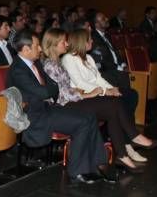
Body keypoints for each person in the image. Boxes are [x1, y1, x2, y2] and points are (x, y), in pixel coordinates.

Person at [42, 28, 157, 172]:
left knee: (117, 104)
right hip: (65, 105)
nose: (66, 44)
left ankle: (123, 153)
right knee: (113, 105)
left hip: (74, 98)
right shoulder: (52, 64)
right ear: (53, 44)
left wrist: (110, 90)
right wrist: (86, 95)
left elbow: (78, 84)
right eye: (63, 41)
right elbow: (62, 93)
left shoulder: (58, 62)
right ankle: (131, 140)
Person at [7, 30, 113, 185]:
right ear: (25, 49)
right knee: (82, 123)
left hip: (47, 107)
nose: (41, 49)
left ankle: (98, 162)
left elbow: (51, 86)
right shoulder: (18, 69)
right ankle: (78, 171)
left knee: (89, 116)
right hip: (35, 114)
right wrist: (51, 89)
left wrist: (51, 89)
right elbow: (44, 91)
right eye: (37, 46)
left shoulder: (35, 63)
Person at [62, 29, 138, 119]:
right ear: (83, 42)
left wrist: (111, 88)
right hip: (87, 94)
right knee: (117, 101)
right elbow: (80, 83)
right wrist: (105, 92)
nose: (92, 41)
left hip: (98, 91)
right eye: (89, 39)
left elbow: (99, 78)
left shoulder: (89, 57)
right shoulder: (69, 58)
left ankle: (127, 128)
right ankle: (127, 130)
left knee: (132, 94)